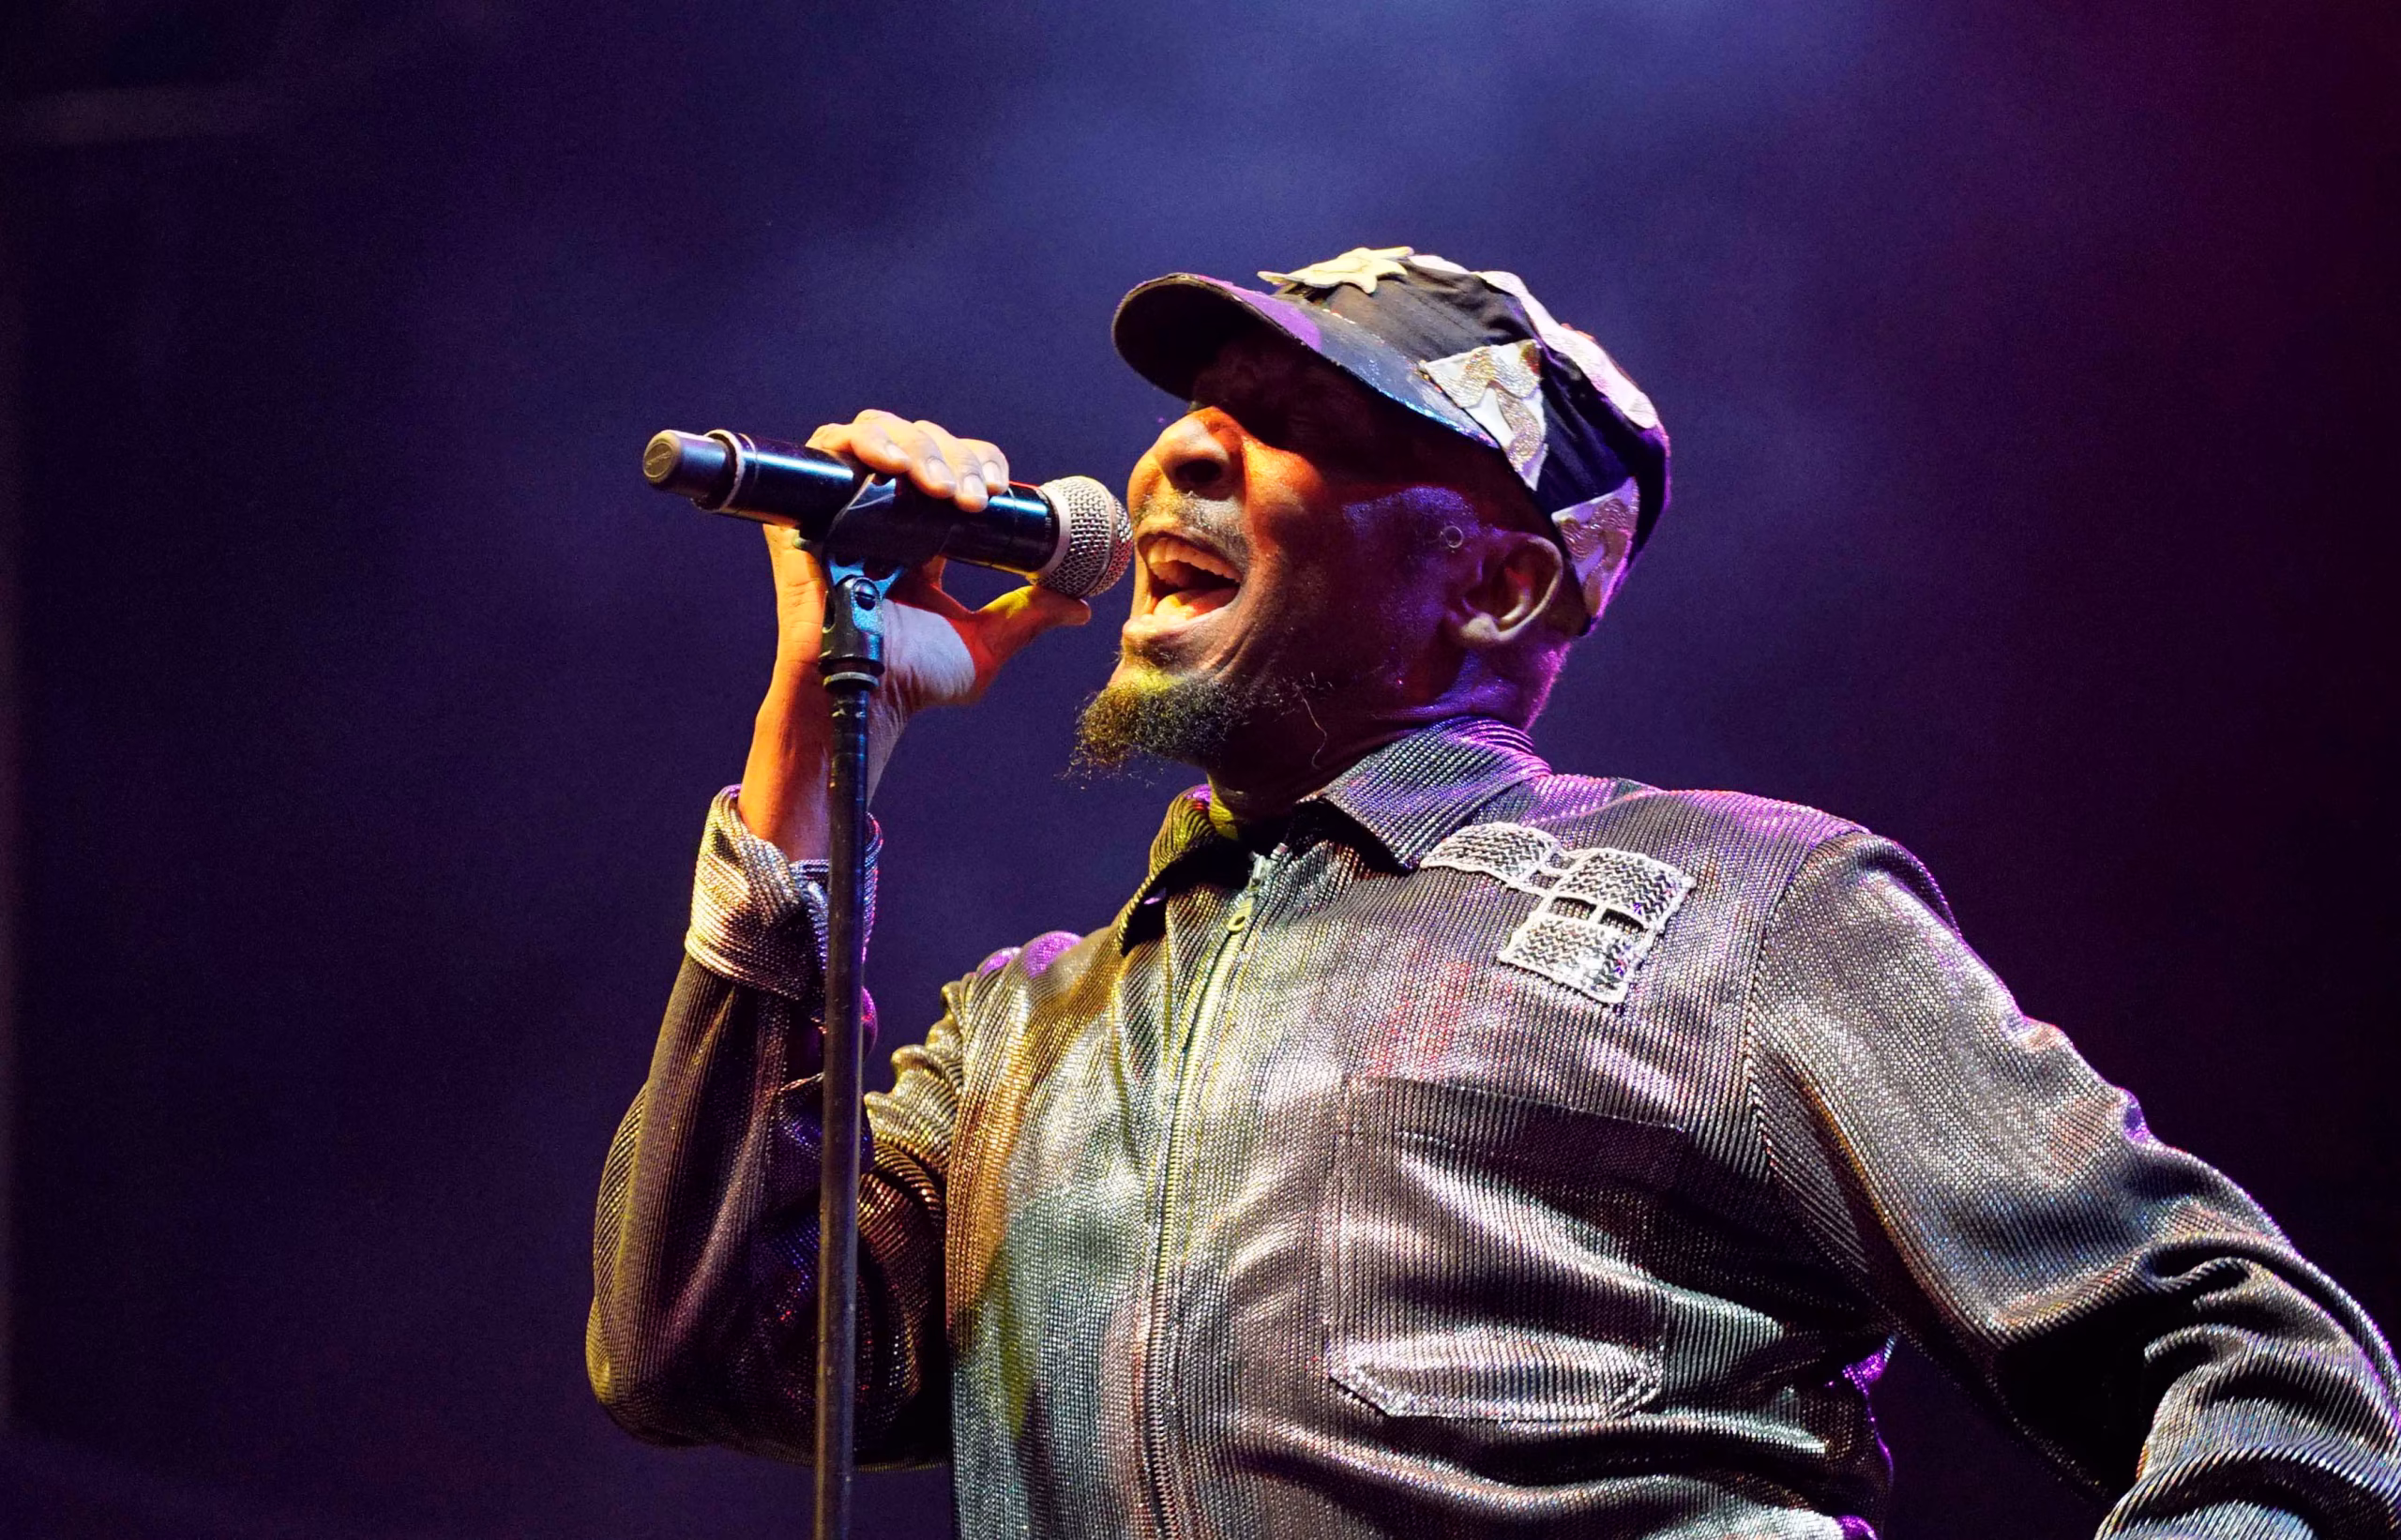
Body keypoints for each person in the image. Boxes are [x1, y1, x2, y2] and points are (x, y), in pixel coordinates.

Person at [587, 246, 2401, 1538]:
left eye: (1302, 420)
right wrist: (816, 749)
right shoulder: (1025, 1027)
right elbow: (692, 1344)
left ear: (1502, 588)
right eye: (1197, 408)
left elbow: (2255, 1354)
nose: (1180, 453)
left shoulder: (1740, 910)